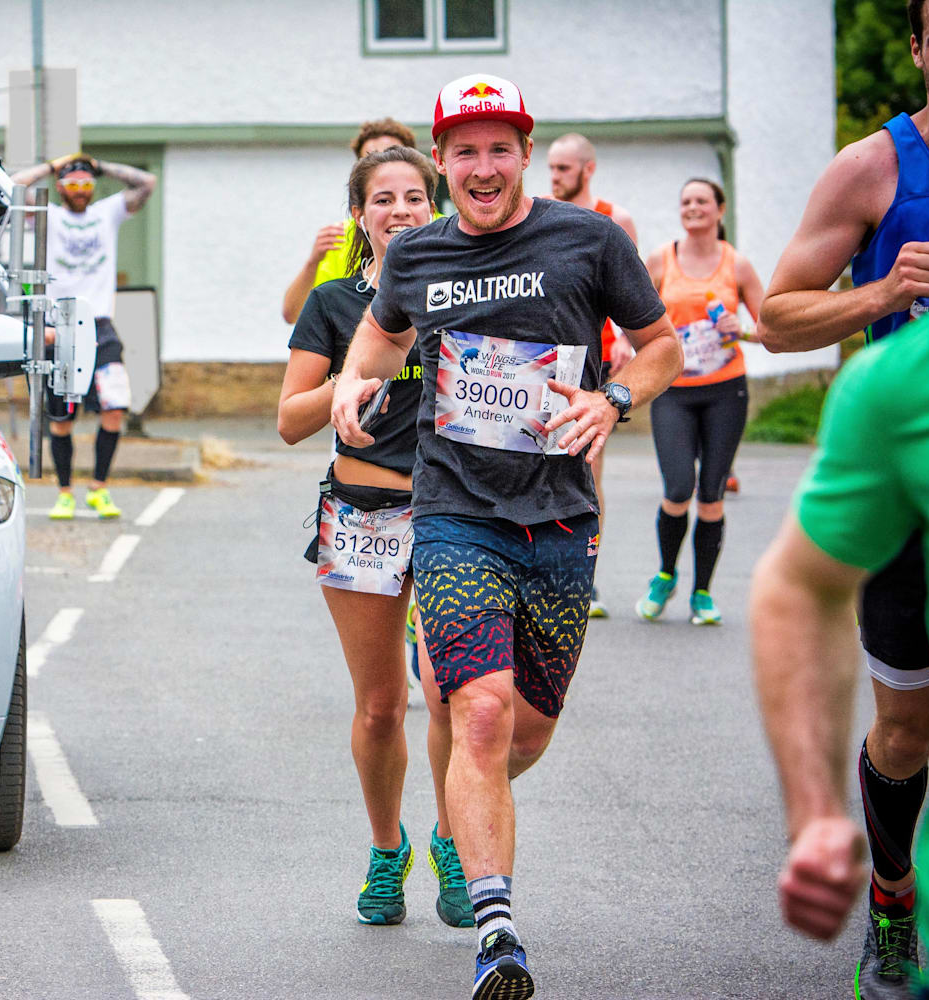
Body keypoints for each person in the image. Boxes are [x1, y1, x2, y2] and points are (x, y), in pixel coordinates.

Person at [331, 72, 680, 999]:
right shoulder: (417, 256)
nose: (482, 167)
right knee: (475, 710)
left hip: (562, 518)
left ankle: (456, 824)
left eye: (499, 148)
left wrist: (613, 399)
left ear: (526, 153)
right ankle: (497, 932)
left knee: (526, 730)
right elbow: (376, 341)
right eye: (463, 151)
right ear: (441, 162)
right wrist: (348, 385)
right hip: (454, 512)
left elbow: (663, 348)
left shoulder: (591, 241)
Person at [757, 1, 929, 992]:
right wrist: (877, 296)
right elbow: (776, 316)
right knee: (909, 731)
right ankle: (895, 891)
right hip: (908, 501)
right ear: (918, 48)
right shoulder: (875, 170)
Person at [278, 144, 473, 930]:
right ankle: (386, 849)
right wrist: (354, 378)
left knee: (454, 697)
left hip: (456, 515)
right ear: (361, 214)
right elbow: (290, 421)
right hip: (361, 513)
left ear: (438, 207)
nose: (400, 211)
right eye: (383, 199)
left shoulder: (467, 295)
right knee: (381, 707)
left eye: (415, 198)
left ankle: (455, 844)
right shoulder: (332, 304)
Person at [752, 306, 929, 1000]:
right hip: (903, 542)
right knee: (905, 732)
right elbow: (797, 587)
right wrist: (813, 814)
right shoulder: (904, 379)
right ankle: (893, 895)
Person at [635, 179, 765, 626]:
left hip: (726, 390)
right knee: (677, 489)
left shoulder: (738, 266)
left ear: (720, 210)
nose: (692, 207)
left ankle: (703, 593)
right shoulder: (660, 260)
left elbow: (770, 327)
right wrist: (624, 350)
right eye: (685, 200)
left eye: (702, 201)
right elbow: (630, 310)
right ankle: (666, 573)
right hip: (672, 390)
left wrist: (741, 330)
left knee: (711, 495)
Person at [10, 152, 157, 520]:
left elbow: (146, 183)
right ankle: (64, 492)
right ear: (60, 188)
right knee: (62, 418)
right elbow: (12, 187)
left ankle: (99, 488)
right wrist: (50, 167)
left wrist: (98, 165)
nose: (79, 190)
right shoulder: (50, 216)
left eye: (85, 184)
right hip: (59, 325)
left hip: (101, 326)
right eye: (72, 184)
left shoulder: (106, 213)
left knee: (115, 406)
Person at [546, 132, 639, 618]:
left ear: (588, 168)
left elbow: (633, 295)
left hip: (596, 366)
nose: (554, 176)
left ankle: (587, 576)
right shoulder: (543, 214)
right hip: (551, 361)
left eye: (563, 168)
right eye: (551, 167)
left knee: (588, 468)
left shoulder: (613, 219)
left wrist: (625, 337)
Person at [280, 118, 420, 325]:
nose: (384, 167)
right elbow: (292, 315)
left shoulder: (444, 230)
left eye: (392, 156)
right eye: (372, 159)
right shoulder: (339, 238)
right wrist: (313, 262)